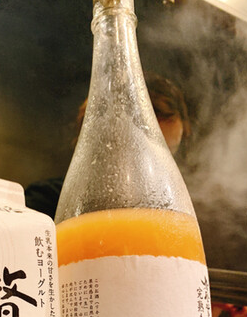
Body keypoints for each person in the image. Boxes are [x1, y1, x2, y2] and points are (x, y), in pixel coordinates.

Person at [25, 73, 191, 219]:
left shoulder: (167, 215)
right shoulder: (45, 204)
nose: (160, 167)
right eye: (146, 152)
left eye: (169, 153)